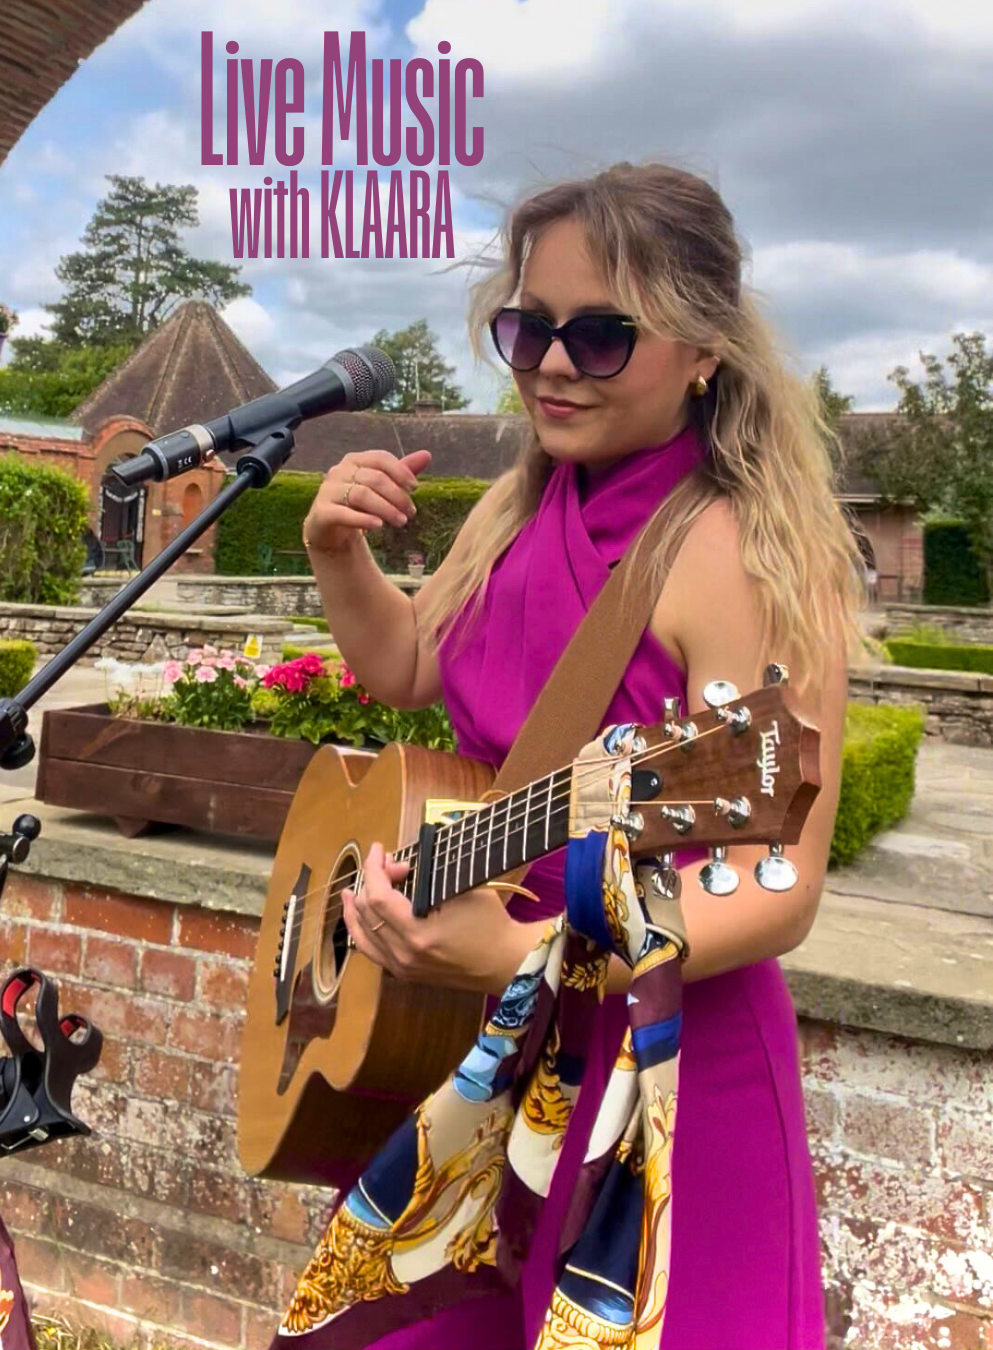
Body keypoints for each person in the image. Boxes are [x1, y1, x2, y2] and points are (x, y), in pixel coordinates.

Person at [293, 161, 863, 1350]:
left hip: (667, 1078)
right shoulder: (517, 502)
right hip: (496, 1059)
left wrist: (520, 954)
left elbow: (777, 882)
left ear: (704, 348)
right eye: (529, 328)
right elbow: (407, 665)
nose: (553, 364)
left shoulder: (738, 548)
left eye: (603, 336)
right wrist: (339, 555)